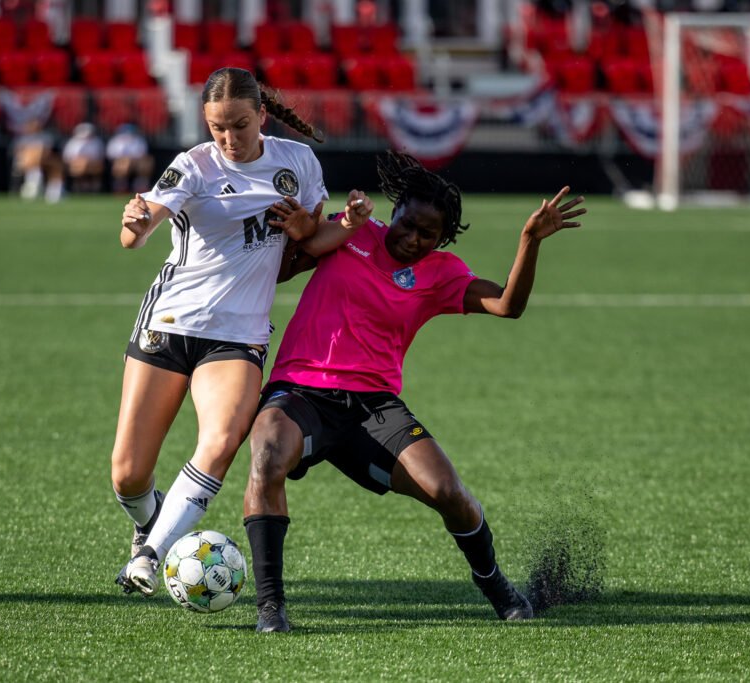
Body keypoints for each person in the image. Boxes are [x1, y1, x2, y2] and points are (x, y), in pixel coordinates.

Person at [242, 151, 587, 632]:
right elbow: (288, 260)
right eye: (407, 225)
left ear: (443, 239)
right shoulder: (355, 231)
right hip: (301, 390)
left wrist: (529, 240)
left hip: (375, 407)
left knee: (448, 491)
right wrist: (306, 225)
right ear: (395, 212)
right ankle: (271, 606)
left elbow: (508, 305)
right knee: (266, 458)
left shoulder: (442, 272)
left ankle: (495, 585)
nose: (412, 239)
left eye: (428, 234)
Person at [111, 66, 374, 597]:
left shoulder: (297, 162)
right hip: (170, 323)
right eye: (216, 127)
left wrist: (346, 224)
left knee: (221, 443)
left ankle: (150, 555)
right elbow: (136, 234)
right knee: (127, 476)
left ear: (261, 116)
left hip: (240, 335)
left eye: (239, 125)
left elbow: (308, 245)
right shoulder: (193, 165)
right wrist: (136, 224)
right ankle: (151, 520)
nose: (228, 138)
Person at [106, 123, 155, 194]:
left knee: (147, 162)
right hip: (120, 162)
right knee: (124, 164)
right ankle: (121, 186)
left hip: (136, 162)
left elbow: (142, 154)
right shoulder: (115, 141)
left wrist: (132, 160)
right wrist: (125, 160)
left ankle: (141, 186)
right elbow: (111, 155)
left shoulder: (139, 140)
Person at [62, 122, 106, 194]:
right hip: (76, 166)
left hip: (93, 166)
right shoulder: (73, 143)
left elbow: (100, 159)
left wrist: (87, 162)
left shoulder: (97, 142)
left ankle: (91, 187)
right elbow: (67, 159)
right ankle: (80, 187)